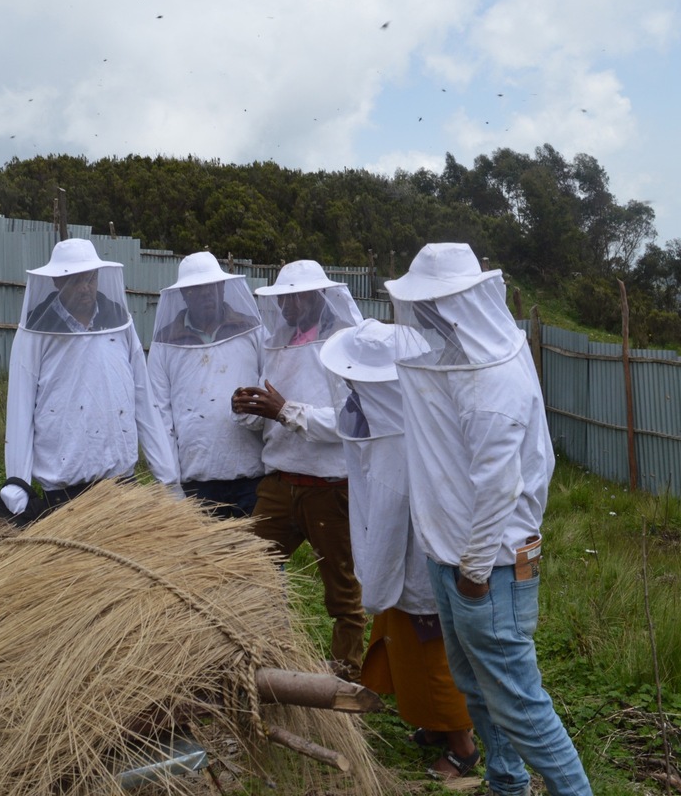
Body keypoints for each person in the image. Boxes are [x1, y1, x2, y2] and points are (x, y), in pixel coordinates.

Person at [387, 242, 592, 796]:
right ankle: (506, 783)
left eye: (433, 305)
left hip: (489, 570)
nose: (424, 316)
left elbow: (500, 486)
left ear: (459, 305)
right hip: (452, 560)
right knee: (475, 688)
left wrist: (473, 573)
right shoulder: (454, 358)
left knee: (521, 704)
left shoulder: (492, 380)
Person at [319, 319, 478, 780]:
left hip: (414, 570)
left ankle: (461, 747)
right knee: (415, 649)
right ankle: (434, 725)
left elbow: (387, 523)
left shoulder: (395, 447)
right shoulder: (411, 423)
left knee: (434, 659)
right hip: (426, 564)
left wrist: (375, 587)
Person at [230, 259, 366, 682]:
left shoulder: (343, 346)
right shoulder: (277, 344)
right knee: (247, 573)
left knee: (342, 592)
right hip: (278, 483)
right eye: (282, 297)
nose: (288, 304)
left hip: (330, 486)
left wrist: (285, 410)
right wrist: (246, 407)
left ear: (318, 297)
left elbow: (352, 421)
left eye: (296, 296)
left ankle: (346, 682)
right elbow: (266, 411)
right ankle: (259, 662)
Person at [1, 238, 180, 517]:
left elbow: (142, 396)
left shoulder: (119, 322)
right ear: (57, 283)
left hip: (122, 483)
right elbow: (20, 407)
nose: (85, 287)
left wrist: (167, 475)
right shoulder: (37, 331)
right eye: (76, 281)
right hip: (64, 491)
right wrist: (18, 484)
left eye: (91, 278)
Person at [147, 251, 265, 518]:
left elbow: (269, 388)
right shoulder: (165, 343)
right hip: (195, 484)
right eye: (197, 289)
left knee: (260, 559)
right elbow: (159, 416)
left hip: (252, 477)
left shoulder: (251, 330)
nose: (206, 294)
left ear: (222, 287)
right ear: (185, 294)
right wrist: (170, 484)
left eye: (211, 287)